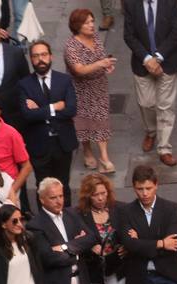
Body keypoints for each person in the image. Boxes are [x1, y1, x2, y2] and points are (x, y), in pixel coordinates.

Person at [121, 0, 177, 165]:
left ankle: (164, 148)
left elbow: (176, 32)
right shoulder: (130, 4)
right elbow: (129, 35)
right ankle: (151, 131)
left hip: (168, 61)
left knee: (165, 106)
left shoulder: (170, 3)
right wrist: (147, 59)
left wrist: (159, 57)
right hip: (142, 62)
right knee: (145, 103)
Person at [64, 10, 115, 174]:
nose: (92, 25)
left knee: (101, 119)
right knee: (83, 120)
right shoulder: (71, 46)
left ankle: (104, 157)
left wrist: (107, 65)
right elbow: (79, 70)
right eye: (87, 22)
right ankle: (87, 151)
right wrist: (101, 64)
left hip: (99, 86)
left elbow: (101, 57)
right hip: (80, 89)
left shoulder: (96, 39)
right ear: (77, 26)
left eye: (92, 21)